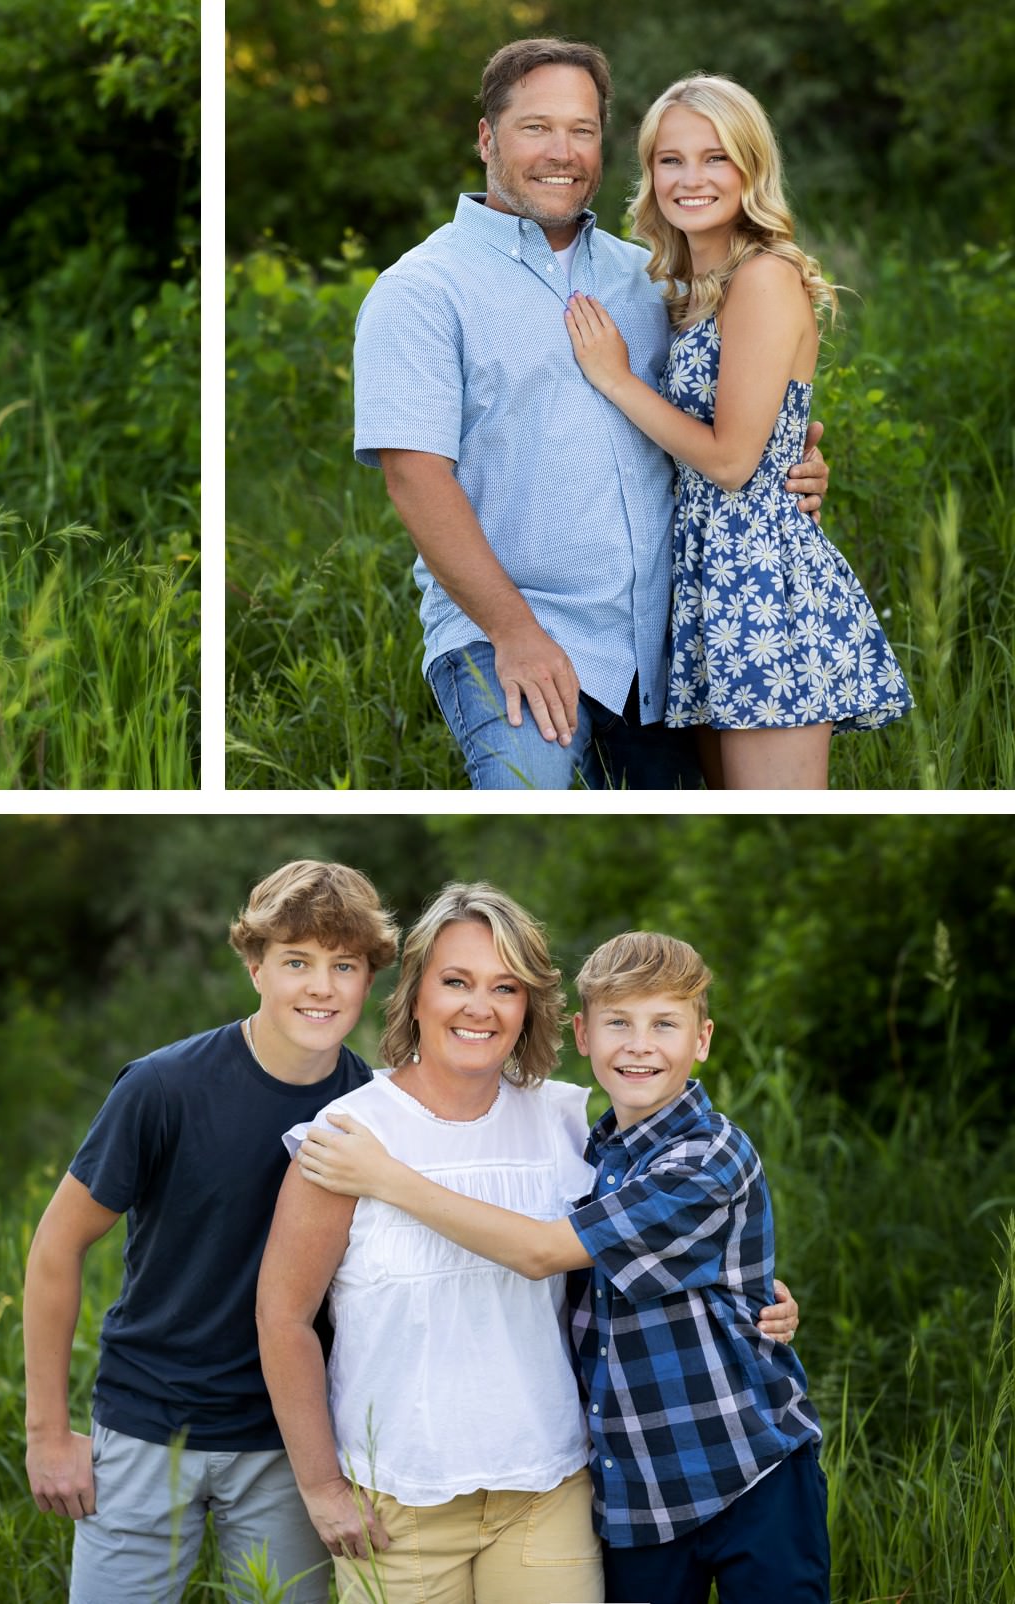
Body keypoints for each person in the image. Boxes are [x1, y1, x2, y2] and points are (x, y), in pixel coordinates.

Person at [260, 887, 801, 1603]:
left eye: (505, 987)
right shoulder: (349, 1137)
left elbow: (605, 1248)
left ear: (528, 1008)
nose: (479, 1007)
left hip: (551, 1488)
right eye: (456, 982)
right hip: (399, 1501)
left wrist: (753, 1295)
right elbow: (283, 1317)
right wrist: (322, 1485)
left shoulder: (568, 1122)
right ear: (415, 993)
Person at [352, 38, 833, 789]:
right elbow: (415, 479)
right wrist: (514, 632)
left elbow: (723, 415)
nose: (562, 152)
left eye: (581, 130)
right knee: (526, 798)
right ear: (486, 138)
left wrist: (791, 467)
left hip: (665, 638)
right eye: (536, 127)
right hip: (511, 631)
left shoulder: (647, 277)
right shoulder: (422, 290)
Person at [22, 860, 398, 1604]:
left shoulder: (375, 1108)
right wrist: (47, 1433)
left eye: (343, 965)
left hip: (289, 1446)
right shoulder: (164, 1089)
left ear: (369, 978)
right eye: (297, 962)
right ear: (255, 965)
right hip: (147, 1427)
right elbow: (56, 1248)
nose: (320, 987)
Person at [563, 75, 910, 787]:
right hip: (705, 583)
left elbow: (730, 462)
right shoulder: (691, 289)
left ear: (750, 167)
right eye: (671, 160)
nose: (691, 179)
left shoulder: (764, 276)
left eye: (715, 157)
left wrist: (616, 377)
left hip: (760, 586)